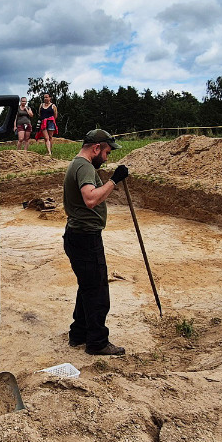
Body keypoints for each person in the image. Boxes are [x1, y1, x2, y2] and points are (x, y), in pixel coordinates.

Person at [63, 129, 129, 356]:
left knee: (87, 287)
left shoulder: (78, 165)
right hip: (85, 238)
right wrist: (114, 181)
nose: (107, 157)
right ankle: (97, 342)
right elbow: (90, 198)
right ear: (96, 148)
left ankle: (78, 334)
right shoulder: (85, 167)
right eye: (107, 152)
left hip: (78, 236)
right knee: (98, 292)